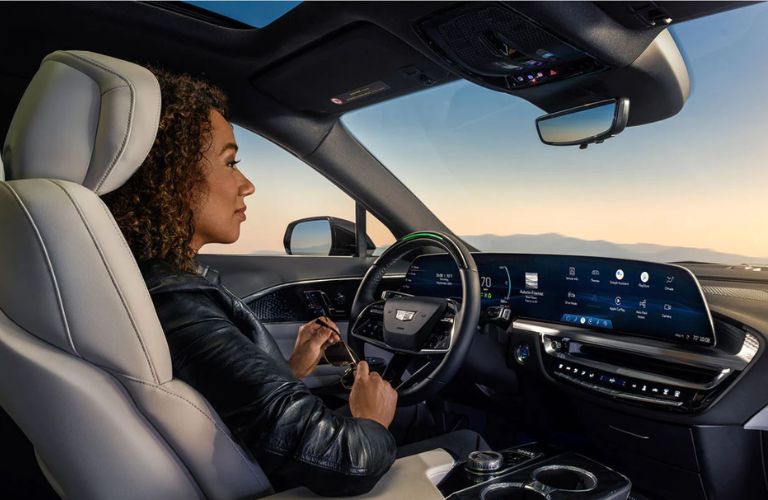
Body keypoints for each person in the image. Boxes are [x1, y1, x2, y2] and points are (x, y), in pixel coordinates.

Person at [103, 68, 486, 496]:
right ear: (168, 180)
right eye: (230, 163)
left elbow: (225, 405)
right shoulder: (177, 299)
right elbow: (344, 462)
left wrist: (290, 370)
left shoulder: (146, 283)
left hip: (256, 462)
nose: (246, 184)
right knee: (467, 441)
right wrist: (370, 419)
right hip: (289, 480)